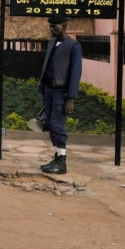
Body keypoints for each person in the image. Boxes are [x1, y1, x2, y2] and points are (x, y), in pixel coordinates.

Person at [38, 14, 82, 175]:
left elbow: (75, 73)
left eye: (53, 26)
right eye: (49, 26)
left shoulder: (73, 46)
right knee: (49, 124)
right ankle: (57, 157)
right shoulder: (52, 43)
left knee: (57, 125)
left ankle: (62, 163)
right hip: (49, 90)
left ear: (63, 26)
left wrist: (70, 98)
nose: (51, 29)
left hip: (61, 92)